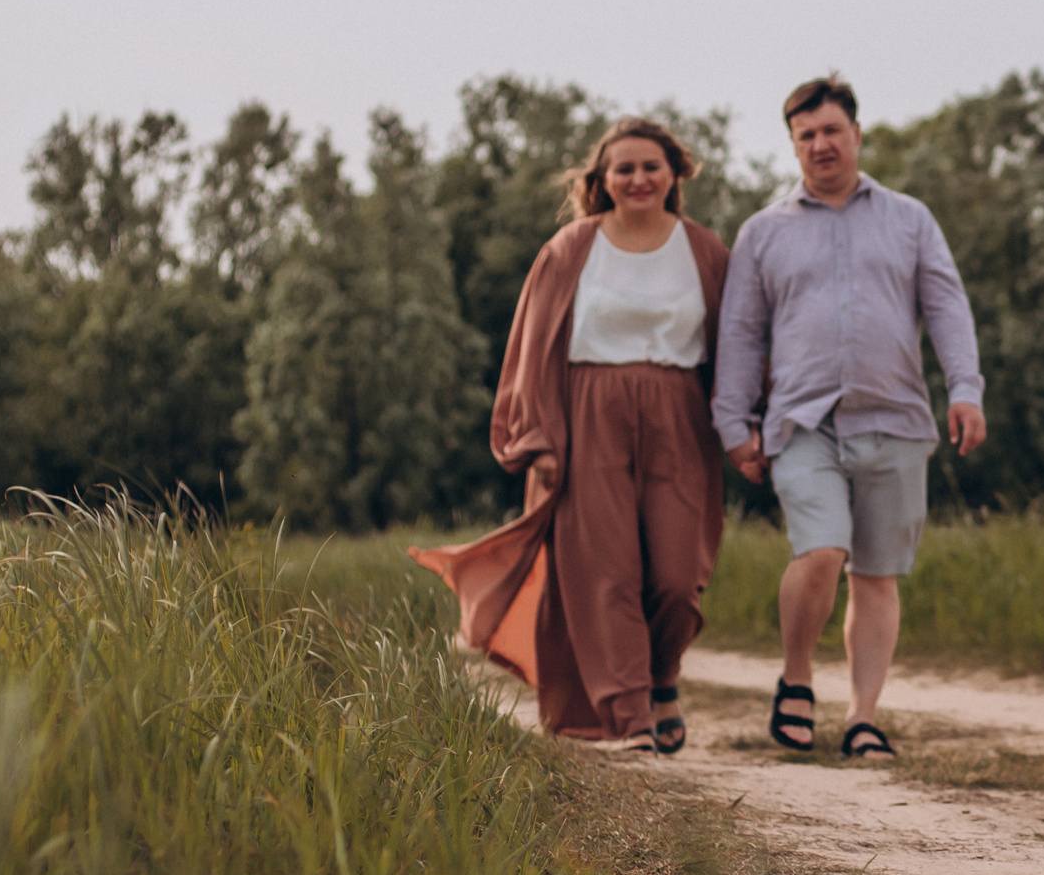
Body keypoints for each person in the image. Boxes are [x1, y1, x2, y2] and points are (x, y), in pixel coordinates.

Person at [411, 116, 732, 754]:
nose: (638, 178)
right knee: (603, 572)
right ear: (602, 180)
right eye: (624, 168)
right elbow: (531, 351)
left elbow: (736, 345)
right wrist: (540, 436)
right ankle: (629, 716)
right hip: (587, 416)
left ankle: (660, 678)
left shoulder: (704, 250)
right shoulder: (569, 250)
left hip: (679, 415)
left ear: (675, 174)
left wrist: (747, 424)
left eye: (650, 167)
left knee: (676, 575)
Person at [714, 74, 986, 760]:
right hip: (803, 421)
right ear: (793, 145)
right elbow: (742, 333)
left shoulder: (909, 219)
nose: (820, 143)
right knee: (822, 552)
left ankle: (864, 716)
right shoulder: (763, 232)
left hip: (894, 416)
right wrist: (732, 423)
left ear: (856, 134)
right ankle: (797, 676)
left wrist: (965, 389)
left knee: (876, 573)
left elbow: (948, 308)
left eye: (832, 130)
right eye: (806, 135)